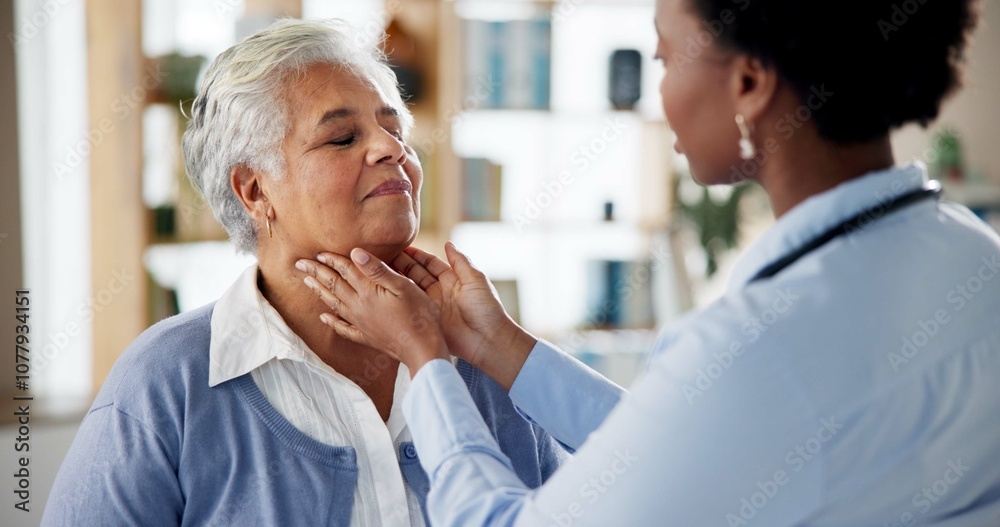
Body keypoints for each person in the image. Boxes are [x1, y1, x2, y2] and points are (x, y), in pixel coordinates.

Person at [298, 0, 1000, 525]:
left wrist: (426, 363)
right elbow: (690, 445)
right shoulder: (971, 257)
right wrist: (503, 348)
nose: (659, 94)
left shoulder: (766, 346)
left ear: (750, 84)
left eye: (664, 59)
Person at [42, 19, 567, 526]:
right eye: (342, 138)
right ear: (255, 191)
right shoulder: (166, 382)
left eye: (394, 128)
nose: (393, 149)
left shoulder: (492, 363)